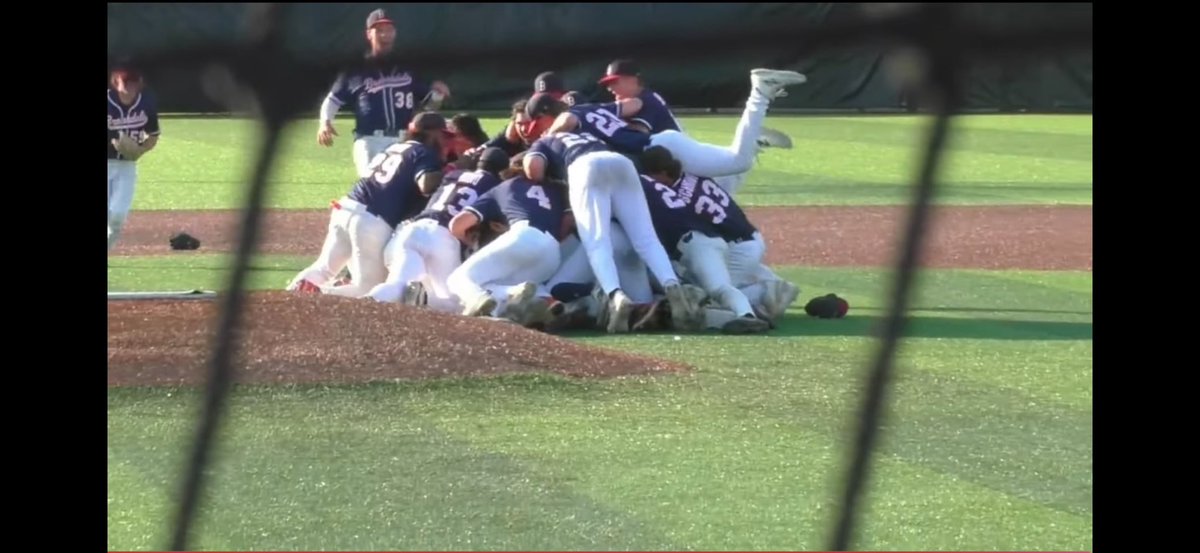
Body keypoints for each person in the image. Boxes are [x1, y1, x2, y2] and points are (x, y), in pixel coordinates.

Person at [520, 106, 702, 333]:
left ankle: (615, 295)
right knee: (646, 238)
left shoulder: (545, 141)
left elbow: (534, 170)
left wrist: (539, 158)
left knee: (596, 241)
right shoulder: (583, 133)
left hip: (583, 166)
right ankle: (672, 286)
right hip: (619, 161)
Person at [288, 112, 449, 298]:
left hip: (346, 207)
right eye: (443, 135)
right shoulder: (424, 152)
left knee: (324, 268)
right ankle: (319, 293)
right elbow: (426, 184)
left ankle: (289, 297)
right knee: (369, 288)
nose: (445, 141)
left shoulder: (394, 146)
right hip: (372, 220)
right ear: (433, 134)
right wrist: (451, 170)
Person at [316, 8, 452, 178]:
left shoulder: (407, 67)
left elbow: (429, 105)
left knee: (406, 191)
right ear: (369, 34)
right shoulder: (356, 69)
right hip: (370, 140)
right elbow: (333, 100)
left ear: (395, 33)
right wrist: (325, 122)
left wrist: (437, 95)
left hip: (404, 140)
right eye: (379, 30)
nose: (385, 34)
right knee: (372, 189)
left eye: (389, 29)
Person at [368, 147, 509, 309]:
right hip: (445, 238)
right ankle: (425, 300)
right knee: (455, 302)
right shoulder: (496, 186)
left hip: (414, 229)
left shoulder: (453, 175)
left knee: (398, 284)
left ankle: (365, 304)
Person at [446, 175, 570, 320]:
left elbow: (457, 225)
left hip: (524, 235)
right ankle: (544, 300)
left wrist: (468, 242)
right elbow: (568, 222)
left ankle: (482, 301)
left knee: (458, 279)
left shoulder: (505, 186)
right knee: (499, 284)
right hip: (553, 254)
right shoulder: (556, 189)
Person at [107, 62, 160, 251]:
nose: (129, 86)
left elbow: (153, 136)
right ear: (116, 82)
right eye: (125, 81)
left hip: (127, 166)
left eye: (133, 82)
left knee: (117, 218)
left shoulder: (146, 104)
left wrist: (138, 150)